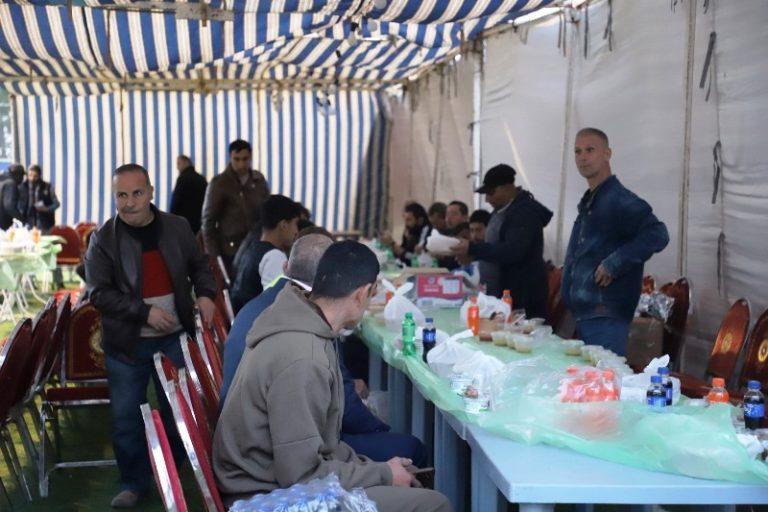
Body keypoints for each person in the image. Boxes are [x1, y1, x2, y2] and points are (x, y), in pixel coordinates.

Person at [213, 241, 450, 511]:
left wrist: (377, 468)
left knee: (408, 485)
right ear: (362, 294)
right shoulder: (303, 358)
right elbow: (301, 475)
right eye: (372, 294)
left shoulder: (303, 323)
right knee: (435, 504)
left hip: (271, 480)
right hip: (264, 497)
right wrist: (383, 474)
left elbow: (322, 447)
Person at [84, 164, 217, 509]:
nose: (129, 202)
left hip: (174, 338)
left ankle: (170, 472)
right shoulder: (103, 239)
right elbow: (98, 293)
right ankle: (134, 484)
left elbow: (199, 265)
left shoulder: (178, 227)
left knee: (179, 414)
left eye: (137, 193)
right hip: (126, 344)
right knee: (126, 419)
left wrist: (206, 294)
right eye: (121, 195)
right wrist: (145, 312)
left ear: (151, 193)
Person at [562, 128, 669, 355]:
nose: (582, 157)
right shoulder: (593, 200)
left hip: (605, 316)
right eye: (577, 151)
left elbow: (658, 234)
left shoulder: (619, 199)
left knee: (602, 376)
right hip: (587, 314)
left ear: (607, 154)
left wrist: (615, 262)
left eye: (590, 150)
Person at [451, 164, 552, 318]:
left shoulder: (525, 213)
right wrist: (473, 255)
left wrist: (473, 249)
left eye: (491, 193)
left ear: (507, 187)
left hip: (523, 296)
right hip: (503, 295)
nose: (487, 199)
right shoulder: (502, 210)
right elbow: (495, 247)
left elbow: (513, 251)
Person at [201, 139, 269, 274]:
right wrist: (214, 257)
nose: (241, 164)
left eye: (245, 159)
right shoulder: (219, 184)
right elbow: (208, 222)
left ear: (251, 157)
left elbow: (268, 211)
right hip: (230, 250)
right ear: (230, 158)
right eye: (236, 159)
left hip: (256, 245)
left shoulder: (259, 180)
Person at [230, 194, 302, 312]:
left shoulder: (251, 249)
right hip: (256, 320)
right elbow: (279, 305)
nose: (296, 231)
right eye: (295, 224)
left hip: (242, 316)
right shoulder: (274, 257)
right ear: (283, 225)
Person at [169, 155, 207, 234]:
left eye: (179, 163)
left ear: (186, 162)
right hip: (199, 223)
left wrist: (171, 219)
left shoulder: (182, 179)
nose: (177, 167)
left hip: (184, 223)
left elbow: (176, 201)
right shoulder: (201, 179)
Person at [18, 164, 60, 232]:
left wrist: (46, 209)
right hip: (27, 222)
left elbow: (56, 204)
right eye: (30, 175)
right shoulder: (22, 187)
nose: (32, 178)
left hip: (44, 223)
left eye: (35, 176)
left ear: (40, 176)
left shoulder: (47, 187)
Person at [0, 164, 24, 230]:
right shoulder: (10, 184)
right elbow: (9, 206)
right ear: (17, 174)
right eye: (22, 175)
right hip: (3, 224)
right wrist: (21, 219)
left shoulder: (2, 181)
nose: (22, 178)